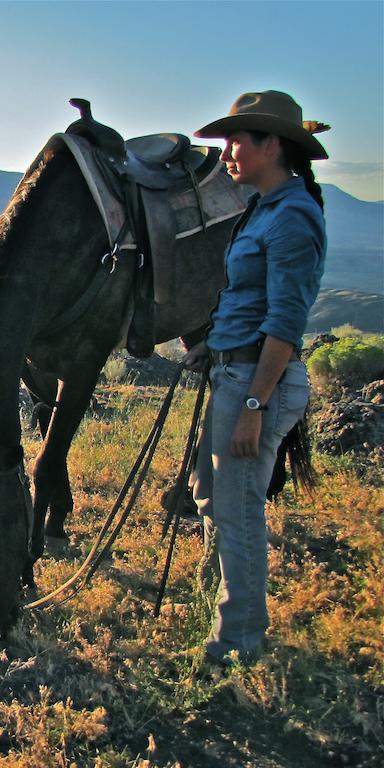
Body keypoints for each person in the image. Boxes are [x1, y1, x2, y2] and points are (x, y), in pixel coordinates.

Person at [182, 91, 329, 666]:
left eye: (236, 142)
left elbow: (286, 320)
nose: (225, 155)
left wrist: (252, 401)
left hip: (256, 383)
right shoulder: (266, 208)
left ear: (272, 145)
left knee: (239, 514)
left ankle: (240, 640)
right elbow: (247, 300)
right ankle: (224, 609)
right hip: (235, 369)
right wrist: (213, 351)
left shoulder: (292, 215)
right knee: (214, 500)